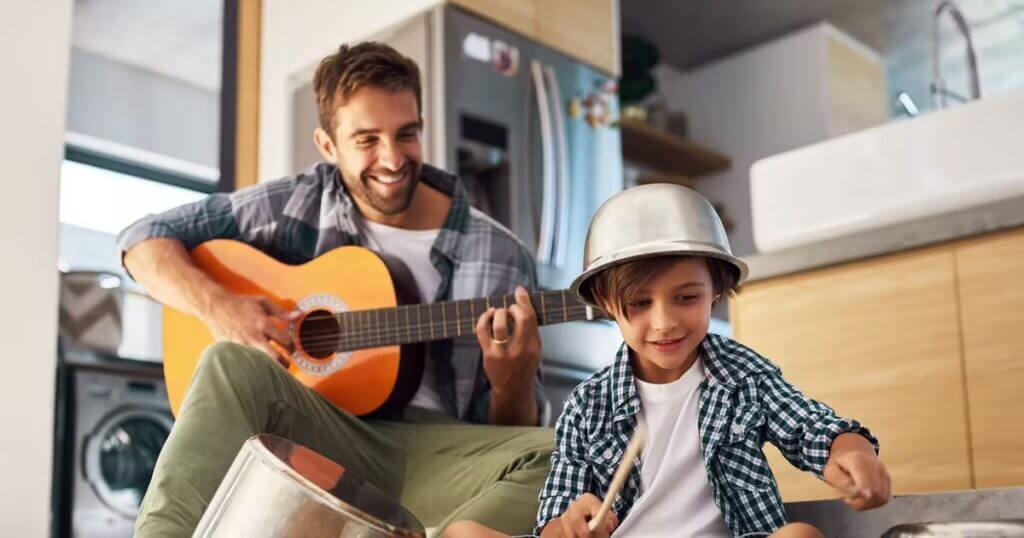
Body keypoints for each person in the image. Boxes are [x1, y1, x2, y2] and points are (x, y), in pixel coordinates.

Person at [118, 41, 553, 537]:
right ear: (328, 145)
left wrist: (511, 381)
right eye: (367, 140)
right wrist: (221, 307)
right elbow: (140, 242)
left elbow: (508, 436)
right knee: (226, 362)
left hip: (441, 454)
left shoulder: (501, 253)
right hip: (329, 434)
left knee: (558, 452)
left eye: (406, 134)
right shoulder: (299, 200)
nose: (392, 159)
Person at [445, 184, 891, 538]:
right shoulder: (587, 405)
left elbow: (812, 428)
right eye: (639, 303)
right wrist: (569, 525)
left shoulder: (744, 377)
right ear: (606, 304)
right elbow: (556, 516)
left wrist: (850, 452)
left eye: (686, 298)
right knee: (461, 533)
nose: (664, 322)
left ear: (715, 289)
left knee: (800, 535)